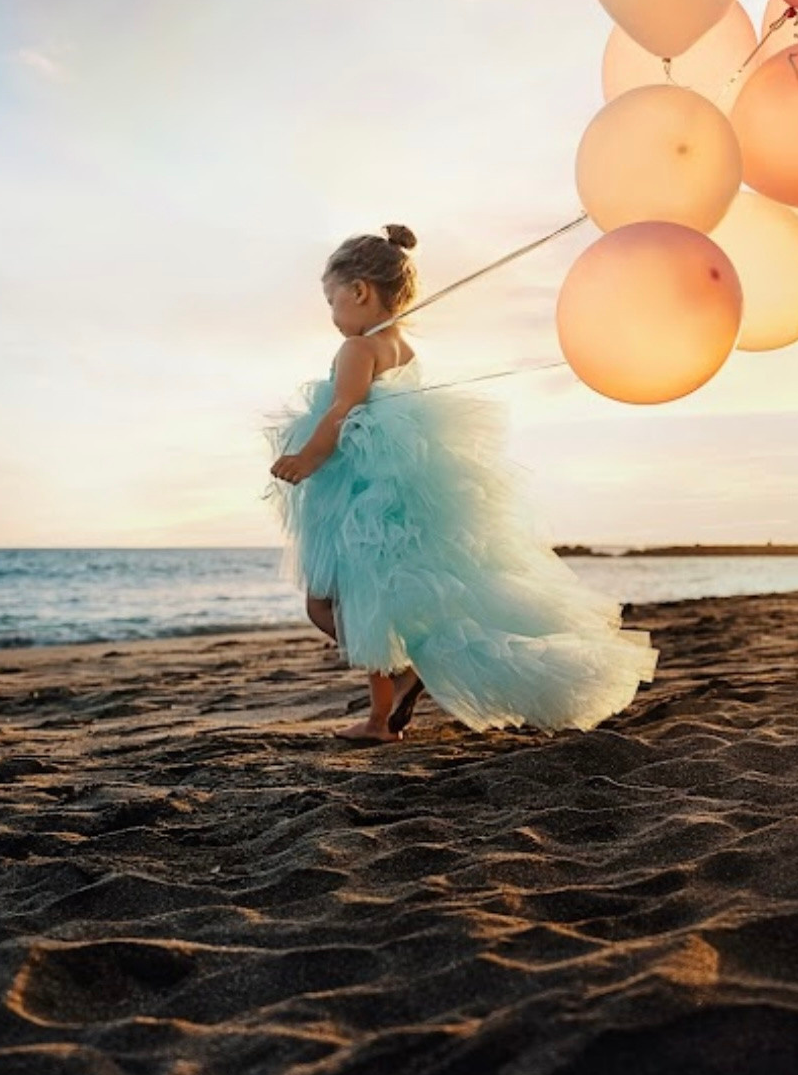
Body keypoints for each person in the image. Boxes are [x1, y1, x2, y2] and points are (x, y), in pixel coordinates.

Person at [265, 223, 657, 743]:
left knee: (326, 606)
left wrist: (307, 459)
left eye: (332, 299)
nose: (333, 313)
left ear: (358, 291)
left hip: (359, 504)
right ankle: (383, 715)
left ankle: (398, 689)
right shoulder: (403, 350)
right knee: (369, 608)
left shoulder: (358, 350)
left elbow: (344, 408)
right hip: (401, 502)